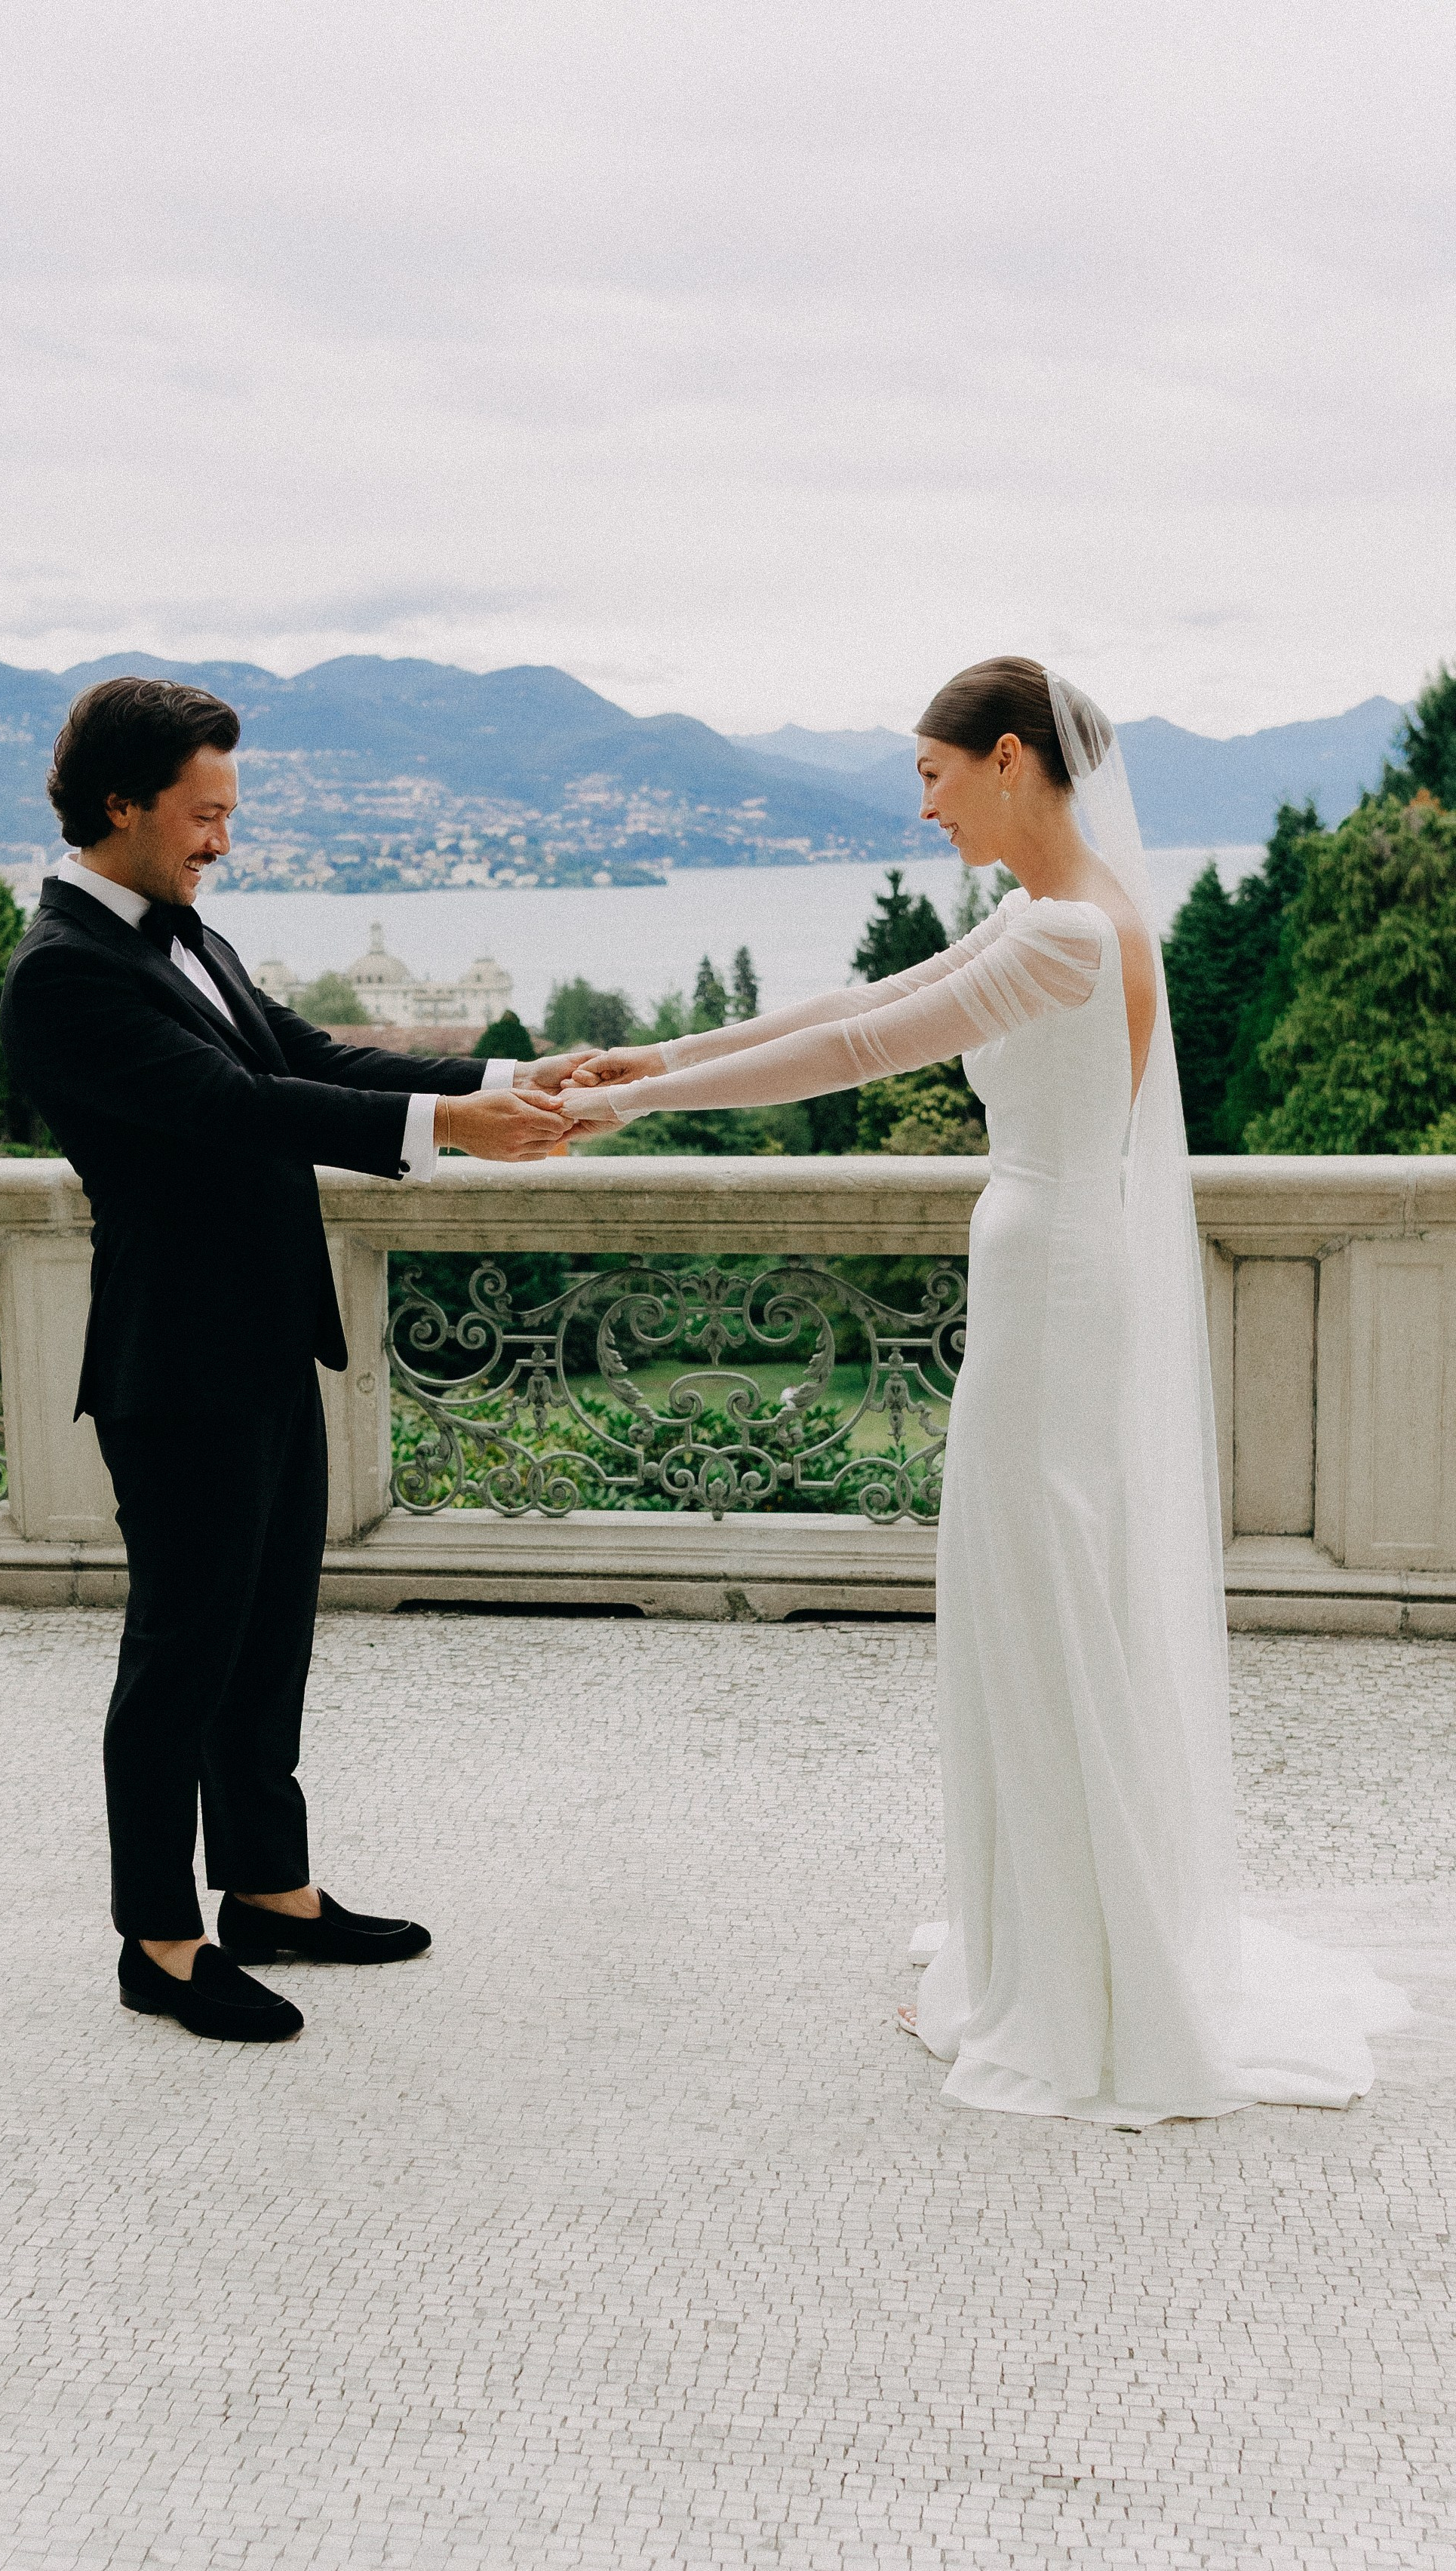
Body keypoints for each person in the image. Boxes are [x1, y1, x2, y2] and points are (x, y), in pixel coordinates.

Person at [560, 656, 1408, 2124]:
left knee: (1042, 1599)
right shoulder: (1043, 920)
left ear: (1008, 759)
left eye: (932, 773)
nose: (924, 802)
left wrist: (621, 1105)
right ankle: (1036, 1944)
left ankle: (1072, 1984)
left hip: (1059, 1290)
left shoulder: (1071, 937)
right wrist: (661, 1052)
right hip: (1043, 1277)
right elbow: (862, 995)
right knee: (1024, 1594)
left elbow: (858, 1048)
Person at [0, 677, 583, 2044]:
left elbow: (299, 1050)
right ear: (123, 804)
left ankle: (270, 1891)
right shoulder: (63, 972)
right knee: (181, 1656)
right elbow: (236, 1107)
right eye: (204, 814)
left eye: (229, 814)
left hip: (264, 1336)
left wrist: (495, 1082)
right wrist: (452, 1137)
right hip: (177, 1362)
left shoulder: (179, 934)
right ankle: (159, 1937)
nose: (221, 839)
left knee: (266, 1646)